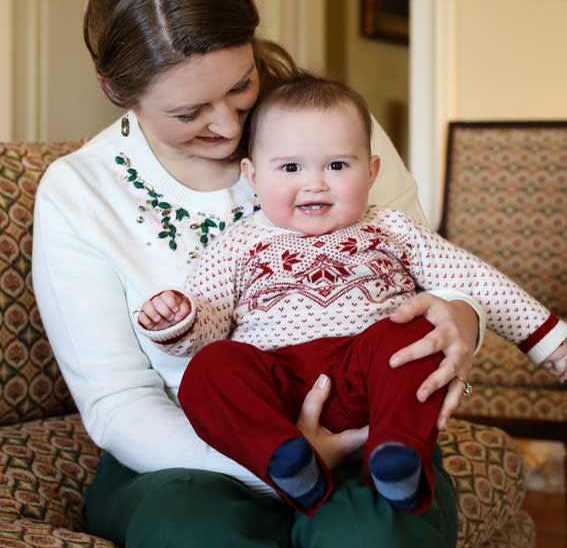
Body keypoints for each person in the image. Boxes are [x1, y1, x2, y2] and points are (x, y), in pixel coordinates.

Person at [32, 0, 484, 548]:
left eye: (239, 87)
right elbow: (118, 402)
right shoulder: (81, 193)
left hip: (360, 417)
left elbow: (430, 276)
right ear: (117, 91)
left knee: (370, 543)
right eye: (188, 113)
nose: (228, 124)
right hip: (184, 454)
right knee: (203, 541)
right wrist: (278, 459)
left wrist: (462, 319)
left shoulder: (331, 127)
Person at [136, 74, 567, 518]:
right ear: (252, 176)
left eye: (338, 166)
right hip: (278, 383)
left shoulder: (389, 227)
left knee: (415, 333)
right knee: (209, 370)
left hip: (371, 373)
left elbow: (473, 280)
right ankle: (285, 460)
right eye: (290, 168)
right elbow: (208, 324)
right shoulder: (237, 243)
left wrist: (553, 344)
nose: (316, 184)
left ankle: (397, 455)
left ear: (372, 170)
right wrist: (178, 319)